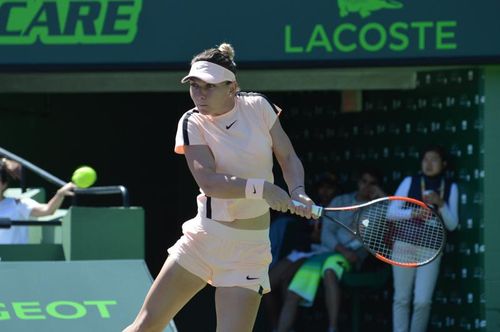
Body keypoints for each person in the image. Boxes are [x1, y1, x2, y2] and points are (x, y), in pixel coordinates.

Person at [122, 42, 315, 332]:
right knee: (145, 327)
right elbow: (209, 182)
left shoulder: (259, 107)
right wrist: (262, 189)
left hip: (250, 250)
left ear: (232, 87)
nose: (200, 93)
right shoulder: (191, 121)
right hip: (204, 239)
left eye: (209, 86)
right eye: (194, 85)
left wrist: (298, 190)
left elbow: (287, 156)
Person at [276, 167, 385, 332]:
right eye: (364, 181)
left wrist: (382, 197)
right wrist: (341, 249)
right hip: (326, 253)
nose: (367, 186)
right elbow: (327, 232)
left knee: (329, 271)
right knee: (293, 290)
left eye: (373, 183)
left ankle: (332, 328)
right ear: (358, 182)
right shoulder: (341, 201)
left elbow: (385, 222)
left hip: (352, 257)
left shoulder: (379, 207)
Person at [392, 145, 459, 332]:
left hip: (431, 248)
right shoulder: (410, 181)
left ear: (444, 164)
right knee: (401, 298)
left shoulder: (451, 186)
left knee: (422, 301)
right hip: (404, 244)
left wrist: (441, 204)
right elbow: (391, 212)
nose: (429, 164)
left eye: (434, 159)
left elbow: (452, 225)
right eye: (425, 159)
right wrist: (413, 213)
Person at [265, 171, 341, 330]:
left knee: (287, 279)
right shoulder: (307, 207)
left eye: (330, 188)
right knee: (267, 285)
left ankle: (289, 327)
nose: (325, 192)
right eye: (322, 187)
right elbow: (300, 235)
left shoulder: (340, 208)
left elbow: (334, 239)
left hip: (320, 255)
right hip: (302, 252)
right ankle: (274, 327)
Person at [0, 157, 76, 244]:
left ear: (4, 184)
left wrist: (60, 194)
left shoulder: (18, 204)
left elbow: (47, 210)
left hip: (14, 256)